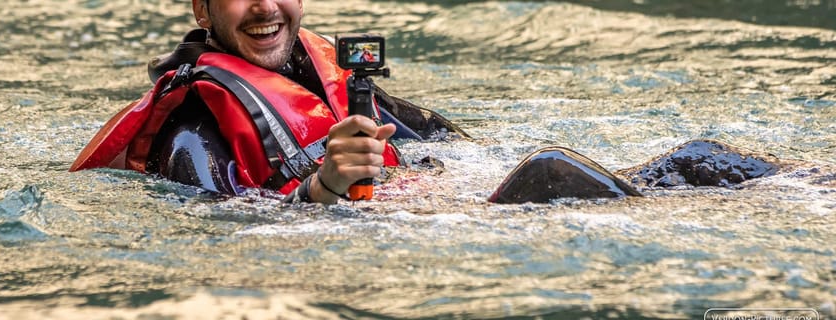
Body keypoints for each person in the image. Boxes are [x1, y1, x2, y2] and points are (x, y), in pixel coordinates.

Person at [70, 0, 781, 205]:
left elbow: (466, 148)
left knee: (699, 157)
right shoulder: (192, 128)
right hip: (419, 238)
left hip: (446, 204)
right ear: (202, 8)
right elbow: (222, 226)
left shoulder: (340, 78)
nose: (264, 6)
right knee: (551, 172)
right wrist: (321, 186)